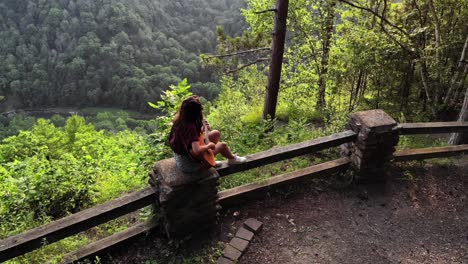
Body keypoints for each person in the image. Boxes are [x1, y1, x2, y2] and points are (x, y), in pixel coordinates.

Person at [169, 95, 247, 172]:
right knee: (222, 145)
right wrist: (208, 146)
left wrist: (205, 128)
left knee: (215, 133)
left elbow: (193, 138)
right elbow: (196, 150)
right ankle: (232, 159)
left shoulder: (180, 120)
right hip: (190, 164)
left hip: (184, 156)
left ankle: (209, 158)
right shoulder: (190, 126)